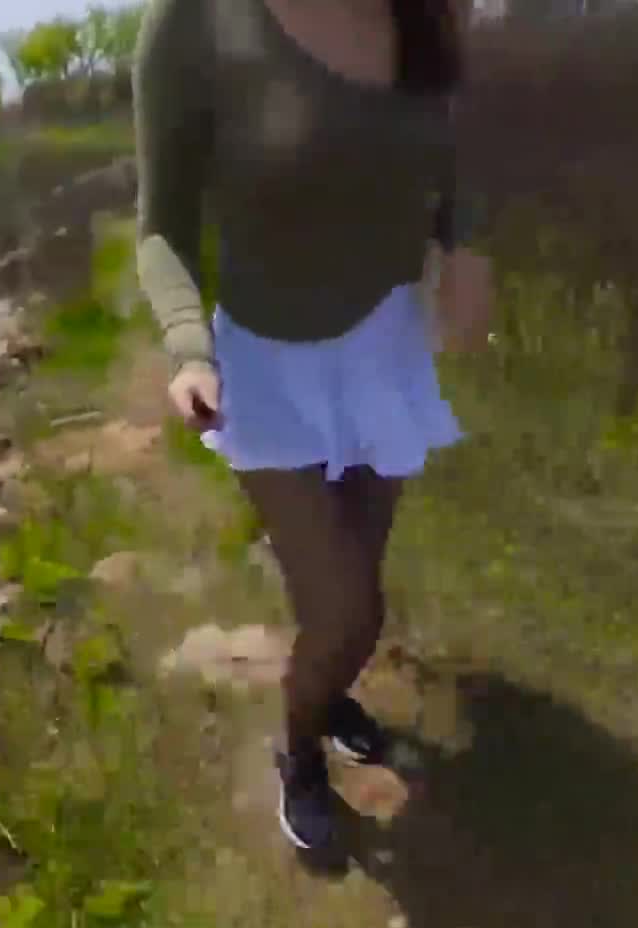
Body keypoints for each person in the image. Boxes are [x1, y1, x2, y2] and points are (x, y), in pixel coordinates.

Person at [134, 0, 494, 850]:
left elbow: (454, 152)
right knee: (347, 613)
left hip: (386, 351)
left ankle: (326, 696)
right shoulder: (195, 21)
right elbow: (163, 225)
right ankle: (297, 750)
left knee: (351, 589)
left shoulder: (425, 12)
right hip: (265, 365)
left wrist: (467, 249)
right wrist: (188, 347)